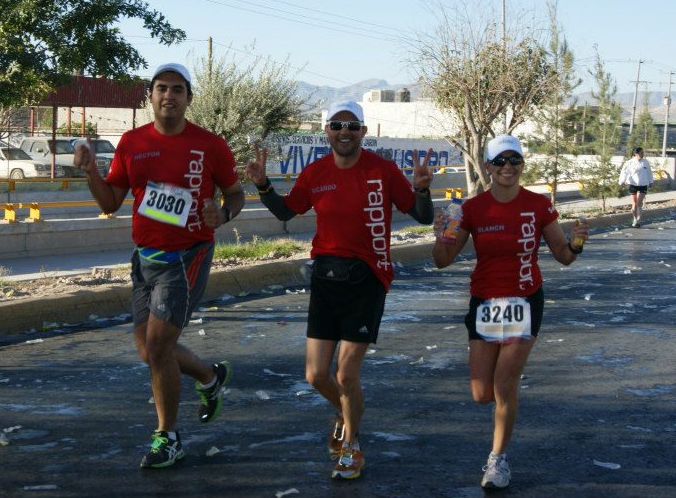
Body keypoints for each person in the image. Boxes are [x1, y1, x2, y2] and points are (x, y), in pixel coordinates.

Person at [245, 99, 434, 481]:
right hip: (326, 280)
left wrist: (421, 190)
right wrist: (263, 184)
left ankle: (351, 445)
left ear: (363, 132)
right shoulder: (315, 173)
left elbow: (423, 216)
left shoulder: (382, 170)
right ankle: (347, 413)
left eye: (351, 126)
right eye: (337, 125)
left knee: (346, 376)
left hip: (368, 280)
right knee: (316, 375)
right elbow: (286, 211)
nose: (344, 132)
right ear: (326, 132)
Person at [74, 62, 246, 469]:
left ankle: (167, 437)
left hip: (188, 255)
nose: (169, 95)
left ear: (189, 98)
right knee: (147, 351)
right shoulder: (132, 142)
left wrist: (223, 214)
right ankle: (209, 377)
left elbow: (235, 193)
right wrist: (91, 172)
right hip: (145, 257)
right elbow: (110, 202)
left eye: (177, 89)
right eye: (161, 88)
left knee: (158, 346)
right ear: (150, 96)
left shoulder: (210, 144)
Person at [432, 134, 589, 490]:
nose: (508, 167)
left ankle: (497, 460)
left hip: (524, 301)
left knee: (505, 385)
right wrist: (439, 237)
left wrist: (577, 242)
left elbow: (563, 256)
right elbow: (442, 261)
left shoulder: (538, 205)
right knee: (481, 394)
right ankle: (501, 428)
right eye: (500, 161)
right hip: (485, 303)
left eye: (514, 160)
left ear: (522, 165)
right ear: (488, 166)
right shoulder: (469, 210)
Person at [618, 146, 654, 227]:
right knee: (634, 205)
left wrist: (651, 181)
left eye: (643, 152)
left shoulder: (645, 162)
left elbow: (649, 172)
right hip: (633, 184)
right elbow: (624, 172)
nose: (643, 154)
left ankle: (638, 220)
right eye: (641, 153)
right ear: (636, 154)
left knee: (639, 203)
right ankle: (635, 219)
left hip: (643, 184)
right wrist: (622, 181)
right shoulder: (629, 162)